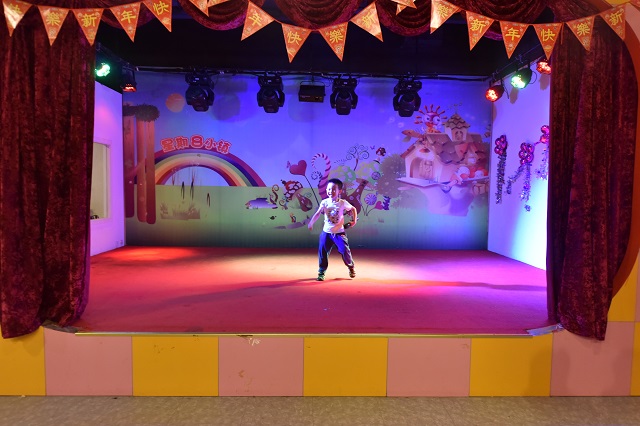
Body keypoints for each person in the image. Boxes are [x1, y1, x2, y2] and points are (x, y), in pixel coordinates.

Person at [307, 178, 357, 281]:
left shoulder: (343, 203)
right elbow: (318, 213)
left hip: (339, 233)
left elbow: (353, 209)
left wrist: (354, 221)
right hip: (326, 233)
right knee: (322, 252)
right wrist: (311, 222)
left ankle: (351, 266)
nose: (331, 191)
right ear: (326, 190)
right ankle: (321, 272)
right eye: (329, 189)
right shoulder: (325, 202)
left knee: (344, 251)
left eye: (334, 189)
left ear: (340, 191)